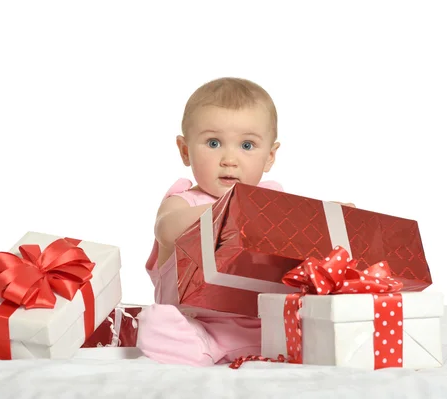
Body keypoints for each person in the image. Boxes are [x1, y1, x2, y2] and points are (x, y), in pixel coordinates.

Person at [136, 77, 352, 366]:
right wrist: (238, 210)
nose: (229, 159)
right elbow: (167, 228)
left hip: (271, 327)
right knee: (157, 324)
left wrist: (326, 217)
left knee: (329, 315)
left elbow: (304, 236)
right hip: (201, 328)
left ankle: (288, 346)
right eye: (213, 143)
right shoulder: (183, 202)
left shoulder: (272, 204)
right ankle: (197, 350)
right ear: (185, 150)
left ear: (270, 157)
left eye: (247, 145)